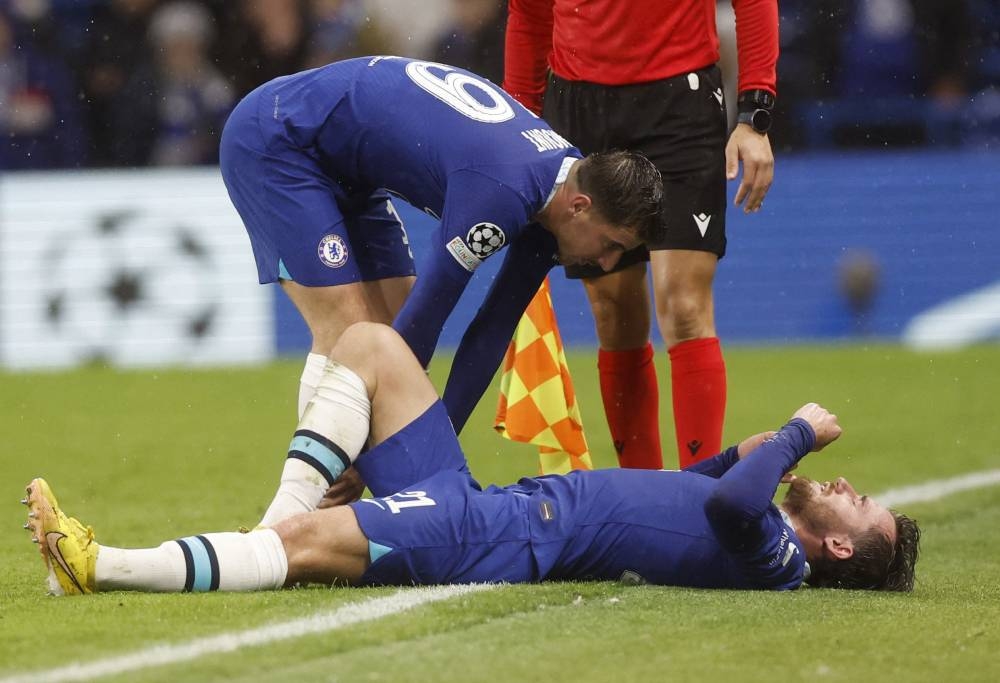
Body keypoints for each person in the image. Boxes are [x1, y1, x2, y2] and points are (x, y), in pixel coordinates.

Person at [24, 323, 919, 596]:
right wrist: (744, 449)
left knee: (300, 544)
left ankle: (99, 564)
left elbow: (727, 510)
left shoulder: (783, 559)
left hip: (502, 537)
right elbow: (694, 492)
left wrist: (797, 432)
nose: (846, 486)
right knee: (372, 345)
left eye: (859, 502)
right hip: (498, 503)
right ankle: (260, 533)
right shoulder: (767, 523)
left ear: (838, 546)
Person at [217, 55, 663, 527]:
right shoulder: (503, 191)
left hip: (347, 166)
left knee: (387, 340)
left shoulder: (559, 192)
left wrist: (436, 445)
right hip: (279, 140)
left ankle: (337, 520)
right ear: (580, 206)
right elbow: (428, 320)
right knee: (351, 336)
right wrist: (372, 457)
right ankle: (289, 523)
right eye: (612, 245)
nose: (608, 263)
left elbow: (491, 333)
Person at [504, 0, 779, 470]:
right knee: (614, 315)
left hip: (679, 105)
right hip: (579, 107)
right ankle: (644, 503)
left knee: (685, 306)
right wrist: (516, 127)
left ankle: (700, 494)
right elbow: (530, 15)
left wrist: (755, 113)